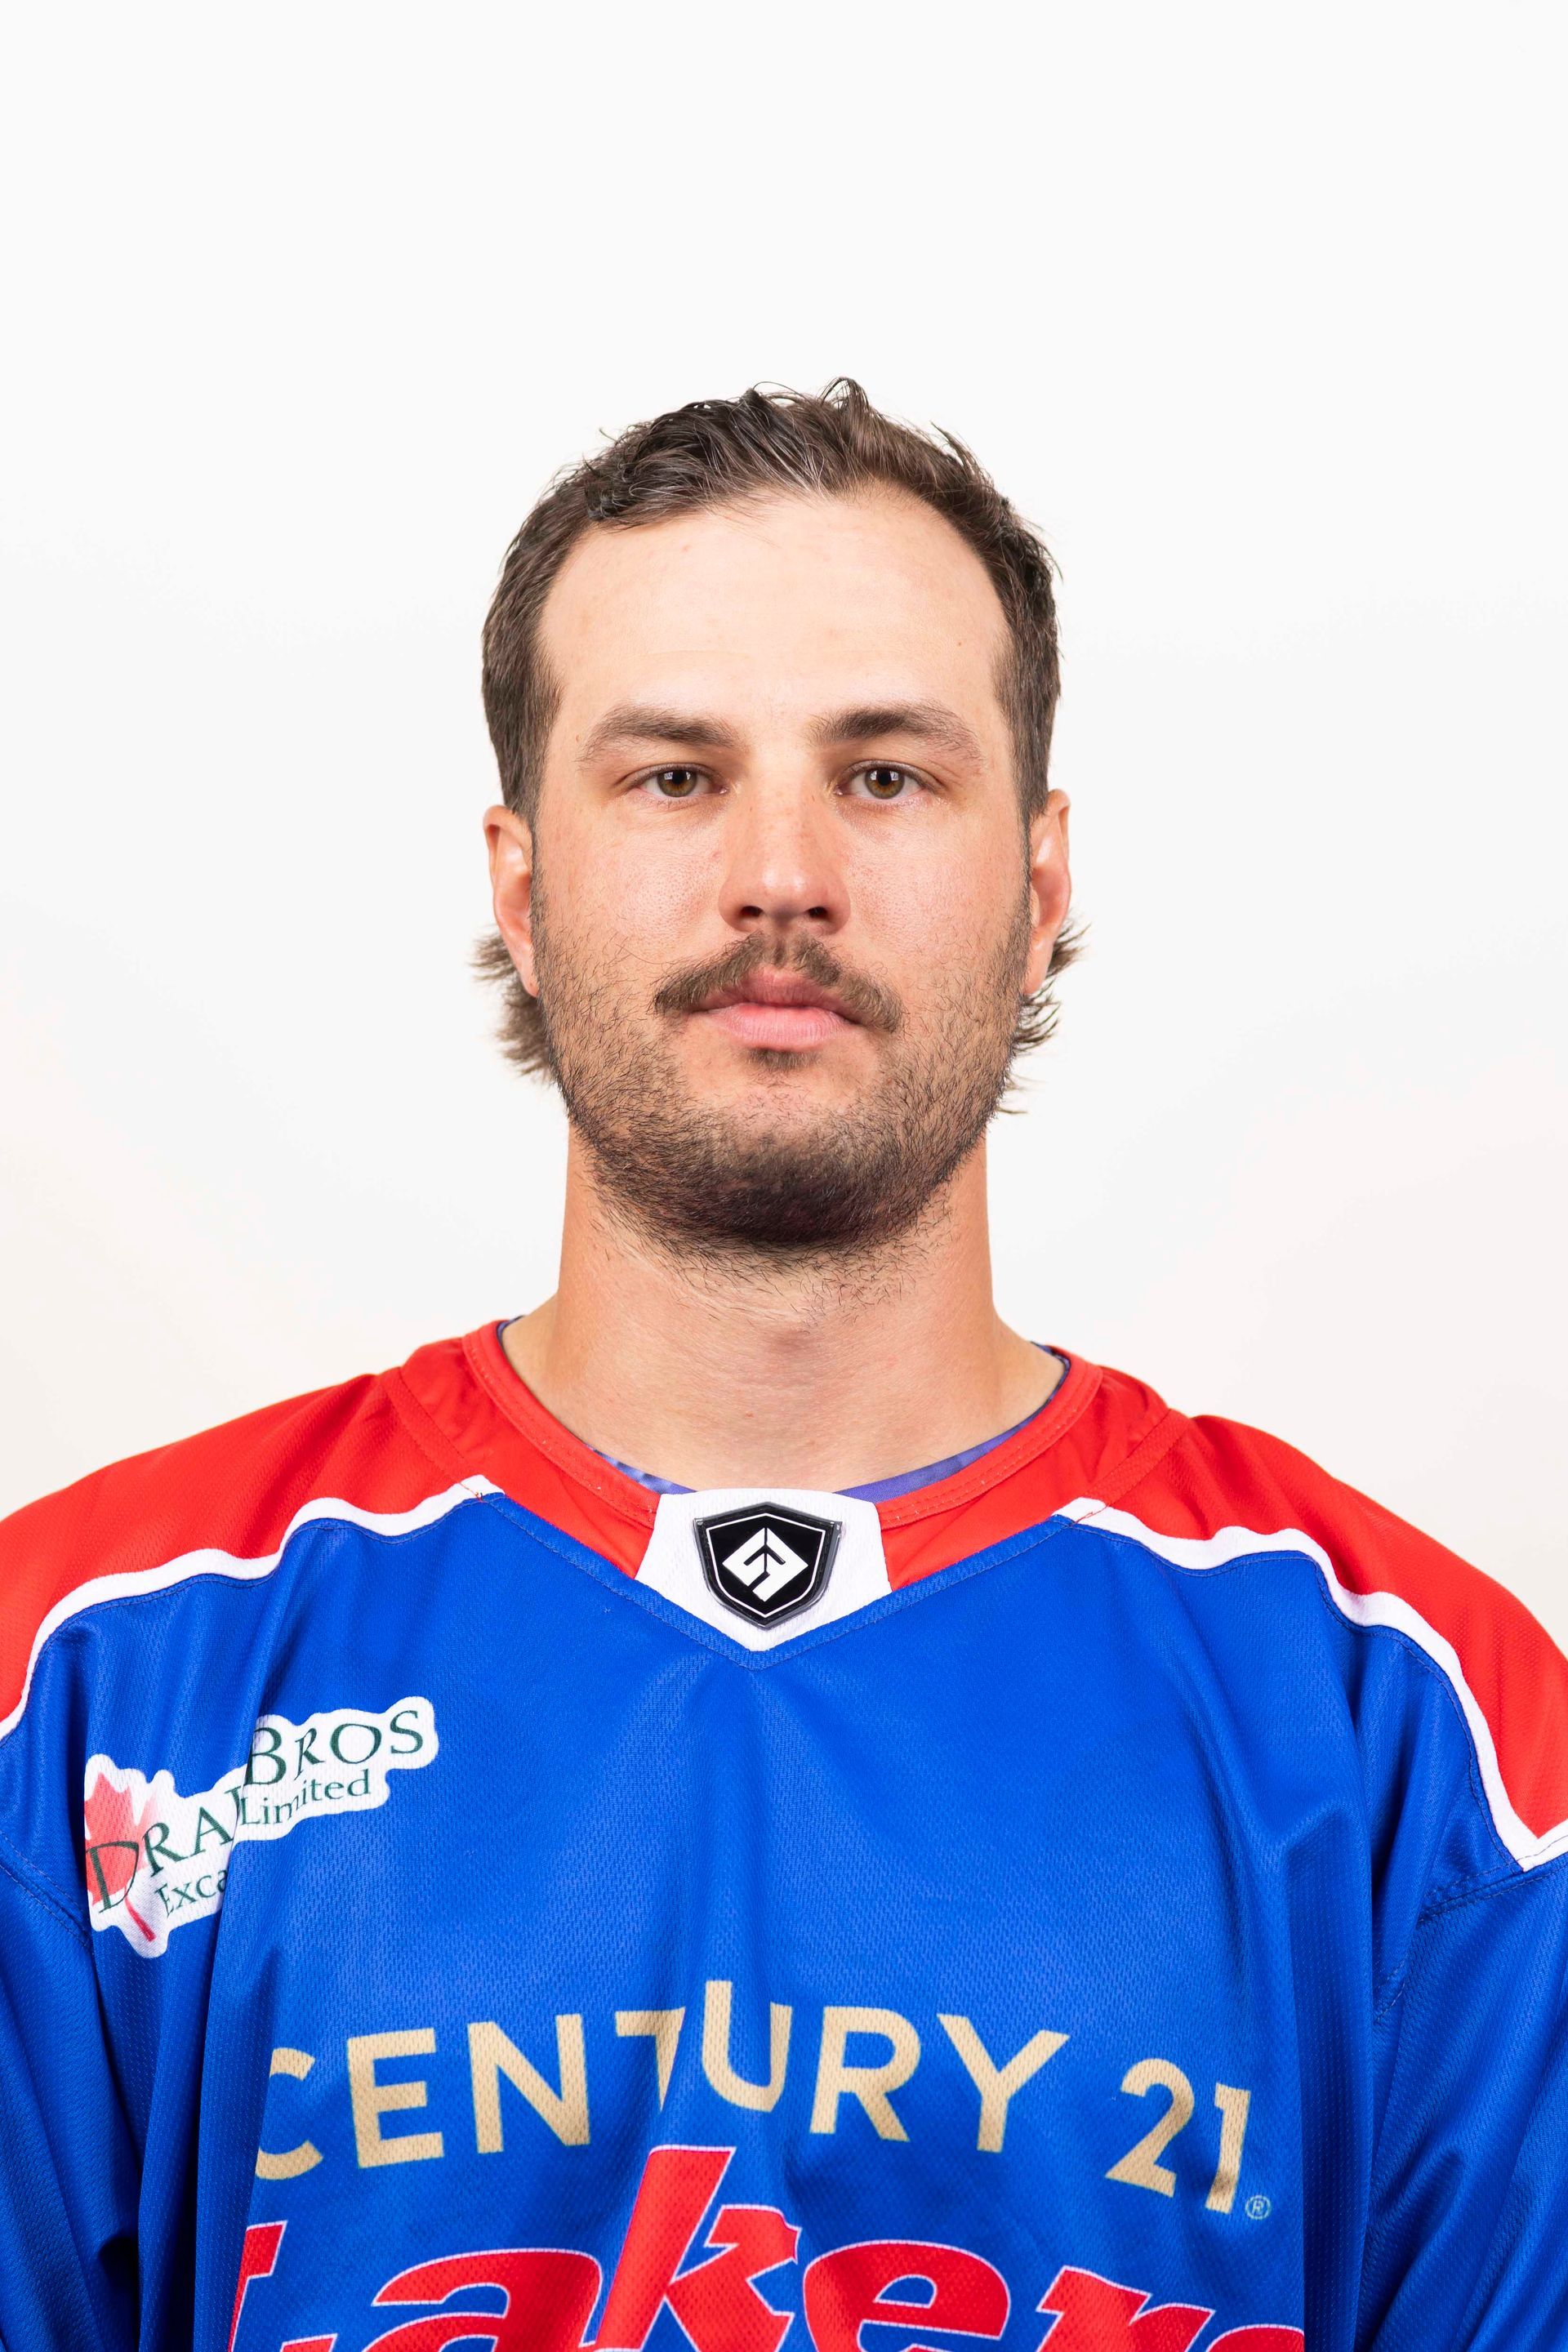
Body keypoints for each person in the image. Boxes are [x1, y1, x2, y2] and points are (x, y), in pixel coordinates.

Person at [0, 382, 1563, 2352]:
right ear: (521, 887)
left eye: (886, 775)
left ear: (1041, 886)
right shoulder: (92, 1674)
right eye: (674, 777)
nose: (781, 876)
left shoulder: (1419, 1729)